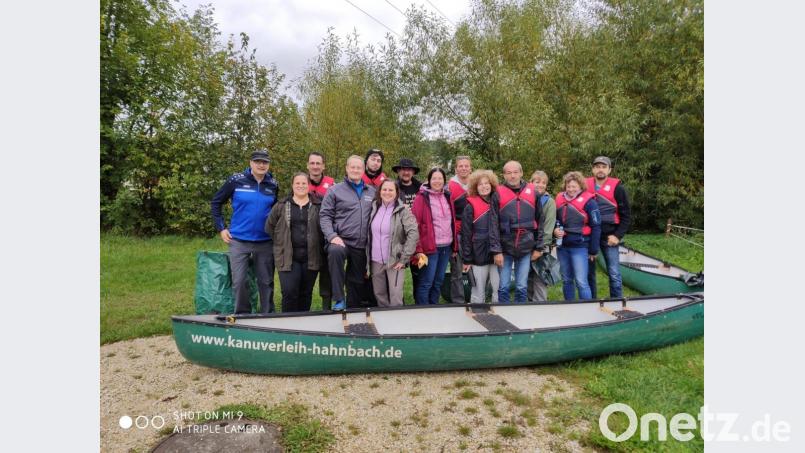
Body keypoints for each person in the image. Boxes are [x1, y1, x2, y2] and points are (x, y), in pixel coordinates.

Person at [210, 149, 279, 314]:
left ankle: (267, 315)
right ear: (251, 163)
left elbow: (275, 210)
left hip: (265, 241)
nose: (261, 165)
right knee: (240, 281)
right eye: (258, 162)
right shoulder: (236, 180)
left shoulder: (273, 184)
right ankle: (243, 315)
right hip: (239, 240)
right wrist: (221, 228)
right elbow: (216, 202)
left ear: (268, 164)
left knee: (266, 281)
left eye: (265, 162)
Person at [320, 155, 377, 310]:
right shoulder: (334, 190)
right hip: (341, 241)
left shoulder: (371, 192)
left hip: (361, 243)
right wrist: (332, 236)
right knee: (335, 252)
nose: (355, 170)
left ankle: (353, 306)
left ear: (363, 170)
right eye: (352, 167)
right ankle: (338, 298)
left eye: (359, 167)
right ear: (347, 168)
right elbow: (324, 216)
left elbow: (388, 202)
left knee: (357, 281)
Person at [266, 173, 324, 312]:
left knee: (306, 293)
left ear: (309, 185)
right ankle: (287, 323)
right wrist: (281, 242)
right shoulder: (281, 205)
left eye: (304, 183)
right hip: (287, 257)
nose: (301, 186)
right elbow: (269, 227)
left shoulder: (318, 205)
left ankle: (302, 324)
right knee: (289, 292)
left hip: (311, 257)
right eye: (297, 183)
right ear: (292, 185)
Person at [495, 161, 544, 304]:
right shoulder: (497, 193)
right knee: (503, 286)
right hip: (504, 246)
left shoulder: (533, 192)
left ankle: (520, 315)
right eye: (508, 173)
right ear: (504, 175)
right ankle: (504, 315)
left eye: (515, 172)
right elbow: (493, 224)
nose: (512, 176)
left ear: (521, 173)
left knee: (521, 286)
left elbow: (540, 221)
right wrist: (496, 250)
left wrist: (539, 247)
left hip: (526, 246)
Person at [367, 180, 419, 307]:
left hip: (395, 260)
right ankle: (384, 322)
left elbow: (413, 234)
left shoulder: (403, 210)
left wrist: (404, 259)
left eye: (391, 190)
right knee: (379, 294)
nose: (387, 192)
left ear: (396, 193)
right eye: (384, 189)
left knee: (395, 296)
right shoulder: (374, 208)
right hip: (375, 260)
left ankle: (396, 323)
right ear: (379, 192)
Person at [585, 156, 632, 299]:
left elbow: (626, 216)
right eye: (597, 166)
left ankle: (617, 302)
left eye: (604, 167)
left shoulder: (618, 189)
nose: (600, 169)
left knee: (614, 273)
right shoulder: (584, 186)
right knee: (589, 272)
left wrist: (617, 236)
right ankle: (591, 302)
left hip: (609, 236)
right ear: (593, 169)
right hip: (590, 235)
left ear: (609, 169)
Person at [554, 171, 601, 300]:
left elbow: (596, 226)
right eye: (568, 186)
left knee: (581, 282)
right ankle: (570, 306)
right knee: (567, 279)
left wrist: (593, 250)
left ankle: (586, 309)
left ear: (580, 186)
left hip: (580, 246)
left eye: (574, 186)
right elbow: (554, 220)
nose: (571, 189)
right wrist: (555, 230)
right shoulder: (559, 198)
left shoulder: (590, 202)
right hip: (562, 246)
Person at [411, 168, 454, 305]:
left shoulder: (447, 196)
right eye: (434, 178)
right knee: (426, 282)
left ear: (444, 180)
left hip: (446, 247)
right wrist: (418, 249)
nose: (437, 181)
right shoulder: (421, 198)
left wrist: (455, 247)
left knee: (438, 281)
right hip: (429, 248)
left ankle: (434, 308)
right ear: (429, 180)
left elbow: (452, 221)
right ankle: (423, 311)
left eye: (440, 178)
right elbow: (414, 224)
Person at [460, 170, 502, 303]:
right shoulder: (470, 206)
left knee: (498, 288)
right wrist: (467, 259)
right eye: (480, 184)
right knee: (479, 289)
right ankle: (477, 314)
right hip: (478, 253)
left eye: (486, 183)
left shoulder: (498, 201)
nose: (484, 186)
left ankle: (498, 316)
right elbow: (466, 235)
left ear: (492, 184)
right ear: (475, 187)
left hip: (497, 252)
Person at [307, 151, 335, 310]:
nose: (315, 166)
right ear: (308, 165)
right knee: (308, 275)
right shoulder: (301, 182)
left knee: (326, 274)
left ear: (323, 166)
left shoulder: (332, 184)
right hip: (307, 236)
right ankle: (304, 310)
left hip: (326, 235)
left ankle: (326, 308)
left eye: (318, 163)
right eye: (312, 163)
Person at [527, 170, 556, 302]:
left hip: (541, 246)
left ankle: (540, 305)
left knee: (540, 278)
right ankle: (528, 304)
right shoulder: (526, 199)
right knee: (527, 278)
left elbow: (549, 227)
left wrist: (541, 247)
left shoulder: (549, 202)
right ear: (531, 183)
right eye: (537, 182)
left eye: (543, 183)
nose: (540, 185)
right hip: (526, 244)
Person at [448, 156, 472, 303]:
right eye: (460, 166)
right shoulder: (449, 186)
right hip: (456, 233)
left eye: (466, 166)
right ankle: (458, 301)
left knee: (475, 268)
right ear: (456, 168)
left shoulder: (476, 184)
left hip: (474, 233)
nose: (463, 168)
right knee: (457, 270)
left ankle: (476, 298)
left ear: (470, 168)